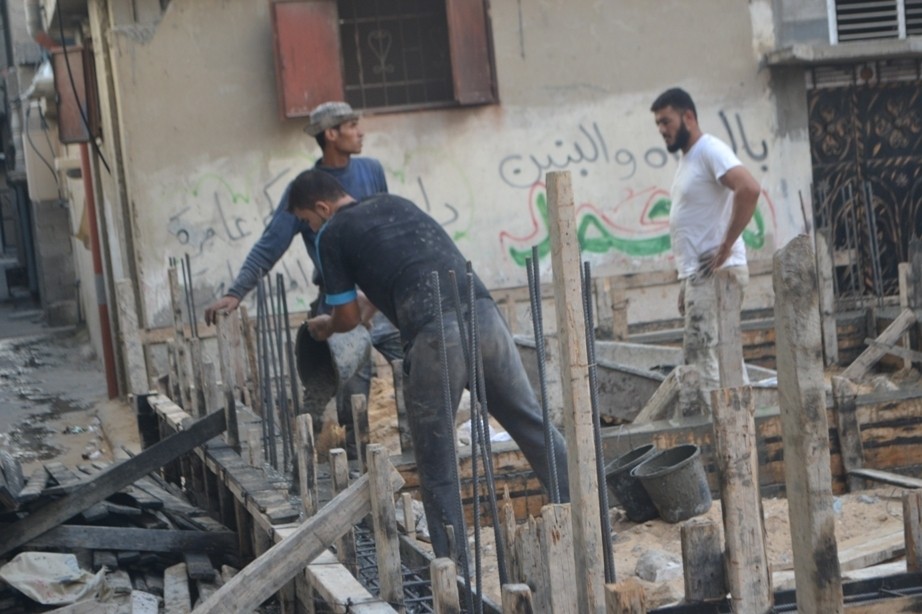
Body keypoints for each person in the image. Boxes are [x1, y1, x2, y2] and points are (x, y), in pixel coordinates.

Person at [287, 169, 570, 560]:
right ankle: (584, 509)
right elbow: (409, 270)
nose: (310, 228)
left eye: (307, 220)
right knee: (531, 423)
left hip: (435, 335)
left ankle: (452, 566)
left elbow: (347, 317)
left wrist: (327, 325)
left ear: (322, 207)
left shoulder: (332, 234)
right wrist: (369, 308)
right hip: (485, 317)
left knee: (437, 460)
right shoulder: (395, 204)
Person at [204, 101, 403, 436]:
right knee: (353, 386)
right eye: (352, 126)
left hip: (379, 295)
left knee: (409, 366)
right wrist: (236, 292)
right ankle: (352, 454)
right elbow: (271, 244)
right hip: (338, 299)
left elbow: (385, 227)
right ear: (331, 134)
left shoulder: (372, 170)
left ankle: (414, 447)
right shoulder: (307, 190)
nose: (360, 132)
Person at [650, 87, 761, 392]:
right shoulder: (689, 159)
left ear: (688, 117)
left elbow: (749, 189)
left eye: (666, 121)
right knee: (723, 356)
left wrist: (726, 246)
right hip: (701, 275)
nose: (662, 130)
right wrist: (687, 281)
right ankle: (741, 418)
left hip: (716, 274)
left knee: (703, 356)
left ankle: (717, 420)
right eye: (658, 124)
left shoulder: (710, 150)